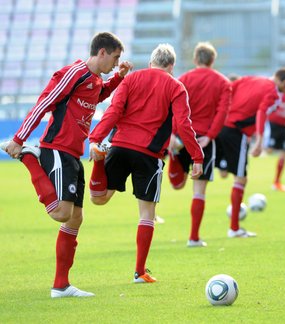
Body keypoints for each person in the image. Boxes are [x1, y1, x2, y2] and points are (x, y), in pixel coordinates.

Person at [0, 32, 131, 298]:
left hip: (74, 153)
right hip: (56, 148)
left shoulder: (94, 79)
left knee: (75, 218)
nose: (117, 63)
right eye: (116, 58)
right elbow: (45, 102)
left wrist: (118, 78)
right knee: (61, 213)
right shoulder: (75, 73)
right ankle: (30, 158)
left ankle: (61, 285)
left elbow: (98, 94)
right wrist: (18, 139)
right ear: (102, 52)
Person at [88, 44, 204, 283]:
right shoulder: (176, 86)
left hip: (119, 146)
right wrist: (197, 156)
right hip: (148, 156)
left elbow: (113, 110)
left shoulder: (131, 79)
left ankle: (99, 163)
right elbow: (183, 124)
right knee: (147, 215)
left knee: (98, 198)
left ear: (151, 63)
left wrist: (96, 138)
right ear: (171, 66)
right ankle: (139, 271)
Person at [167, 42, 231, 247]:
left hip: (182, 137)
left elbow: (175, 109)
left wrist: (175, 134)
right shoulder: (223, 83)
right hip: (203, 141)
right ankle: (193, 237)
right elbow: (222, 113)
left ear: (195, 59)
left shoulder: (183, 79)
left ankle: (175, 161)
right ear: (213, 60)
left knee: (178, 185)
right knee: (199, 191)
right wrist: (210, 136)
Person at [219, 68, 285, 238]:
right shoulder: (274, 94)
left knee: (224, 175)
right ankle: (234, 228)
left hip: (221, 126)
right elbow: (262, 112)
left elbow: (229, 88)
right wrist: (260, 141)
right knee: (241, 178)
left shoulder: (250, 78)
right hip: (236, 132)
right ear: (284, 82)